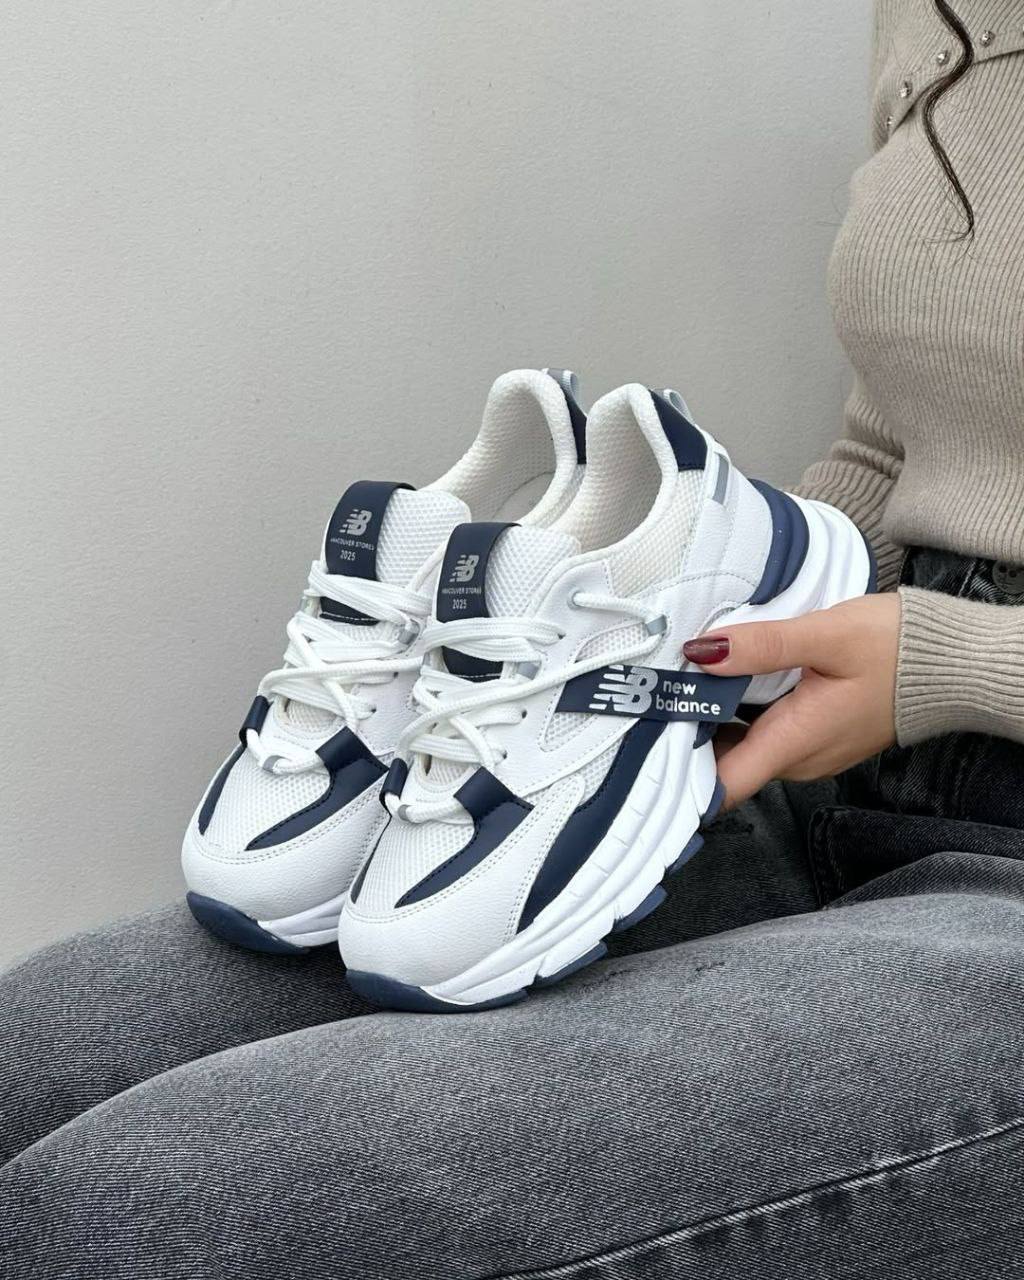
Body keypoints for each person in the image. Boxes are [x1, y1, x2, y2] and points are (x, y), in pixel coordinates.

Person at [3, 2, 1023, 1275]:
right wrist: (719, 610)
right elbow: (907, 430)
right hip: (826, 751)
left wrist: (943, 662)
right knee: (31, 1053)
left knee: (139, 1212)